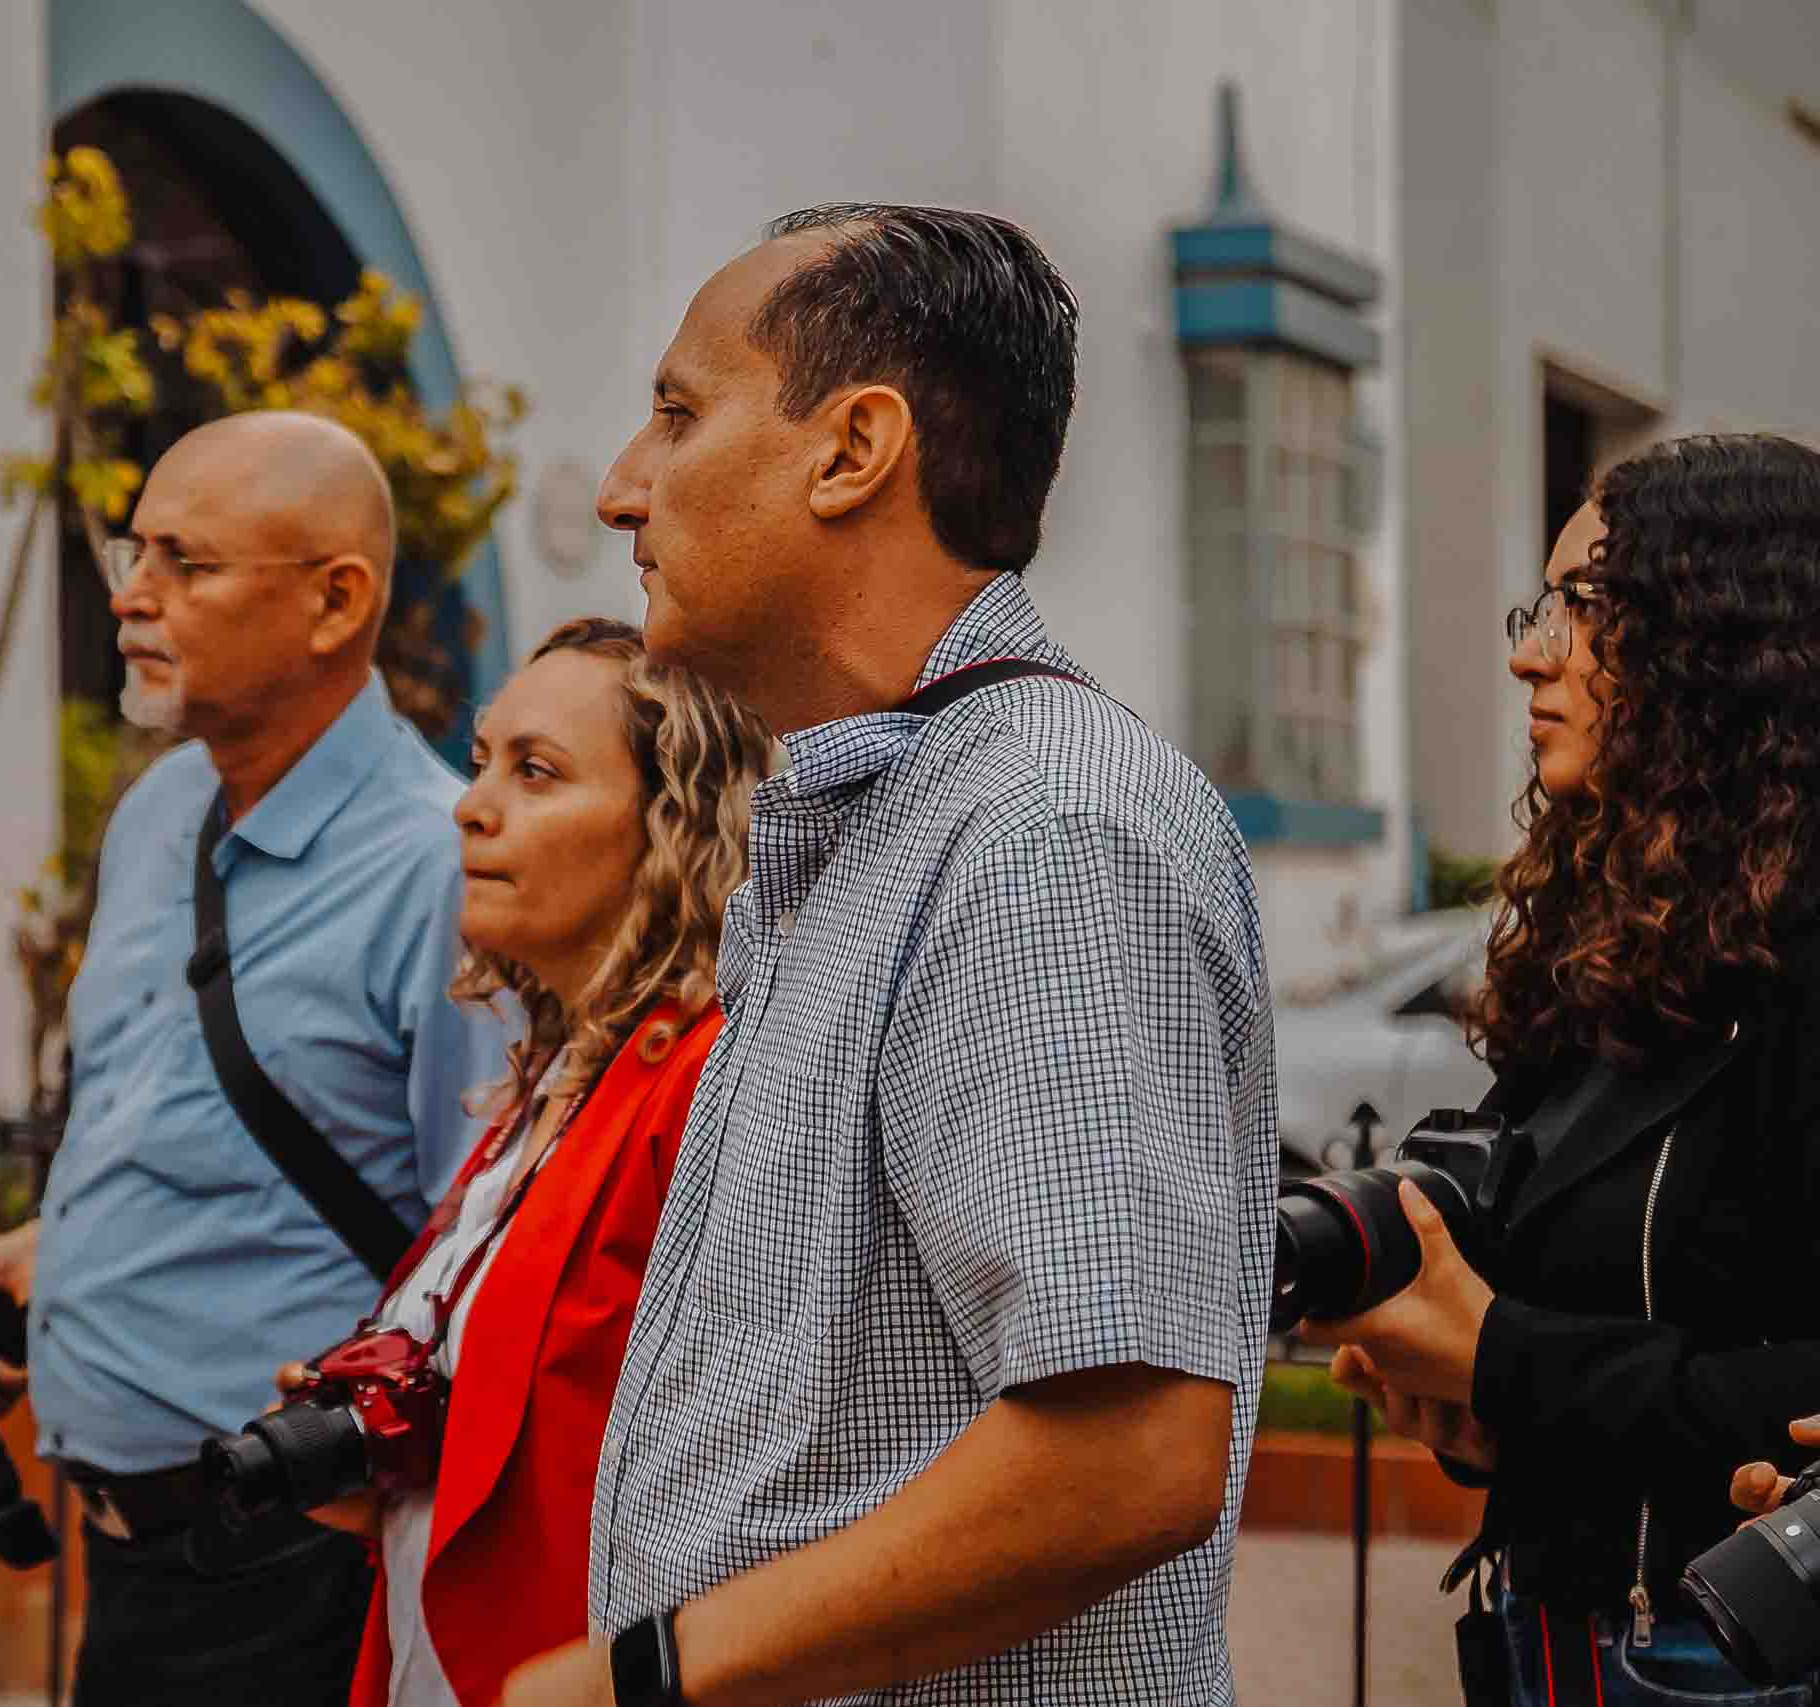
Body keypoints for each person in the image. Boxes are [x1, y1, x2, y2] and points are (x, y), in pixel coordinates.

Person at [508, 205, 1279, 1707]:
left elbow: (1127, 1454)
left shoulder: (1043, 826)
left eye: (678, 414)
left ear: (853, 449)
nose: (620, 488)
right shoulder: (895, 816)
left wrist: (646, 1676)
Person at [0, 411, 502, 1707]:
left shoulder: (439, 869)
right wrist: (62, 1254)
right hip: (130, 1562)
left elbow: (482, 1258)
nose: (134, 594)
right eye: (135, 552)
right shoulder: (160, 813)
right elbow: (188, 1121)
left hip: (299, 1565)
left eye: (187, 562)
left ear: (335, 601)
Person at [1307, 433, 1820, 1706]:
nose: (1530, 654)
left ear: (1724, 644)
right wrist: (1471, 1415)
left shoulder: (1800, 972)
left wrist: (1498, 1359)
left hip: (1727, 1664)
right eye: (1540, 608)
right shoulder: (1623, 947)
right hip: (1555, 1641)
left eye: (1586, 608)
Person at [294, 617, 769, 1707]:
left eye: (537, 771)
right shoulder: (554, 1080)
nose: (472, 805)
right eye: (480, 763)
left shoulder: (701, 1079)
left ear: (672, 821)